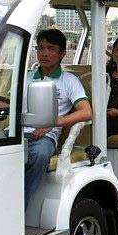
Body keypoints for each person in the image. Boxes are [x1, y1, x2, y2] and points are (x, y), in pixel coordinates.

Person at [24, 28, 92, 207]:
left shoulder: (69, 80)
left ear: (62, 53)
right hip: (16, 134)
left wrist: (51, 123)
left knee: (39, 154)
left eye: (51, 49)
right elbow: (9, 105)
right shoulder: (26, 77)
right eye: (40, 48)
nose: (44, 53)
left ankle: (18, 207)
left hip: (44, 137)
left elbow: (86, 112)